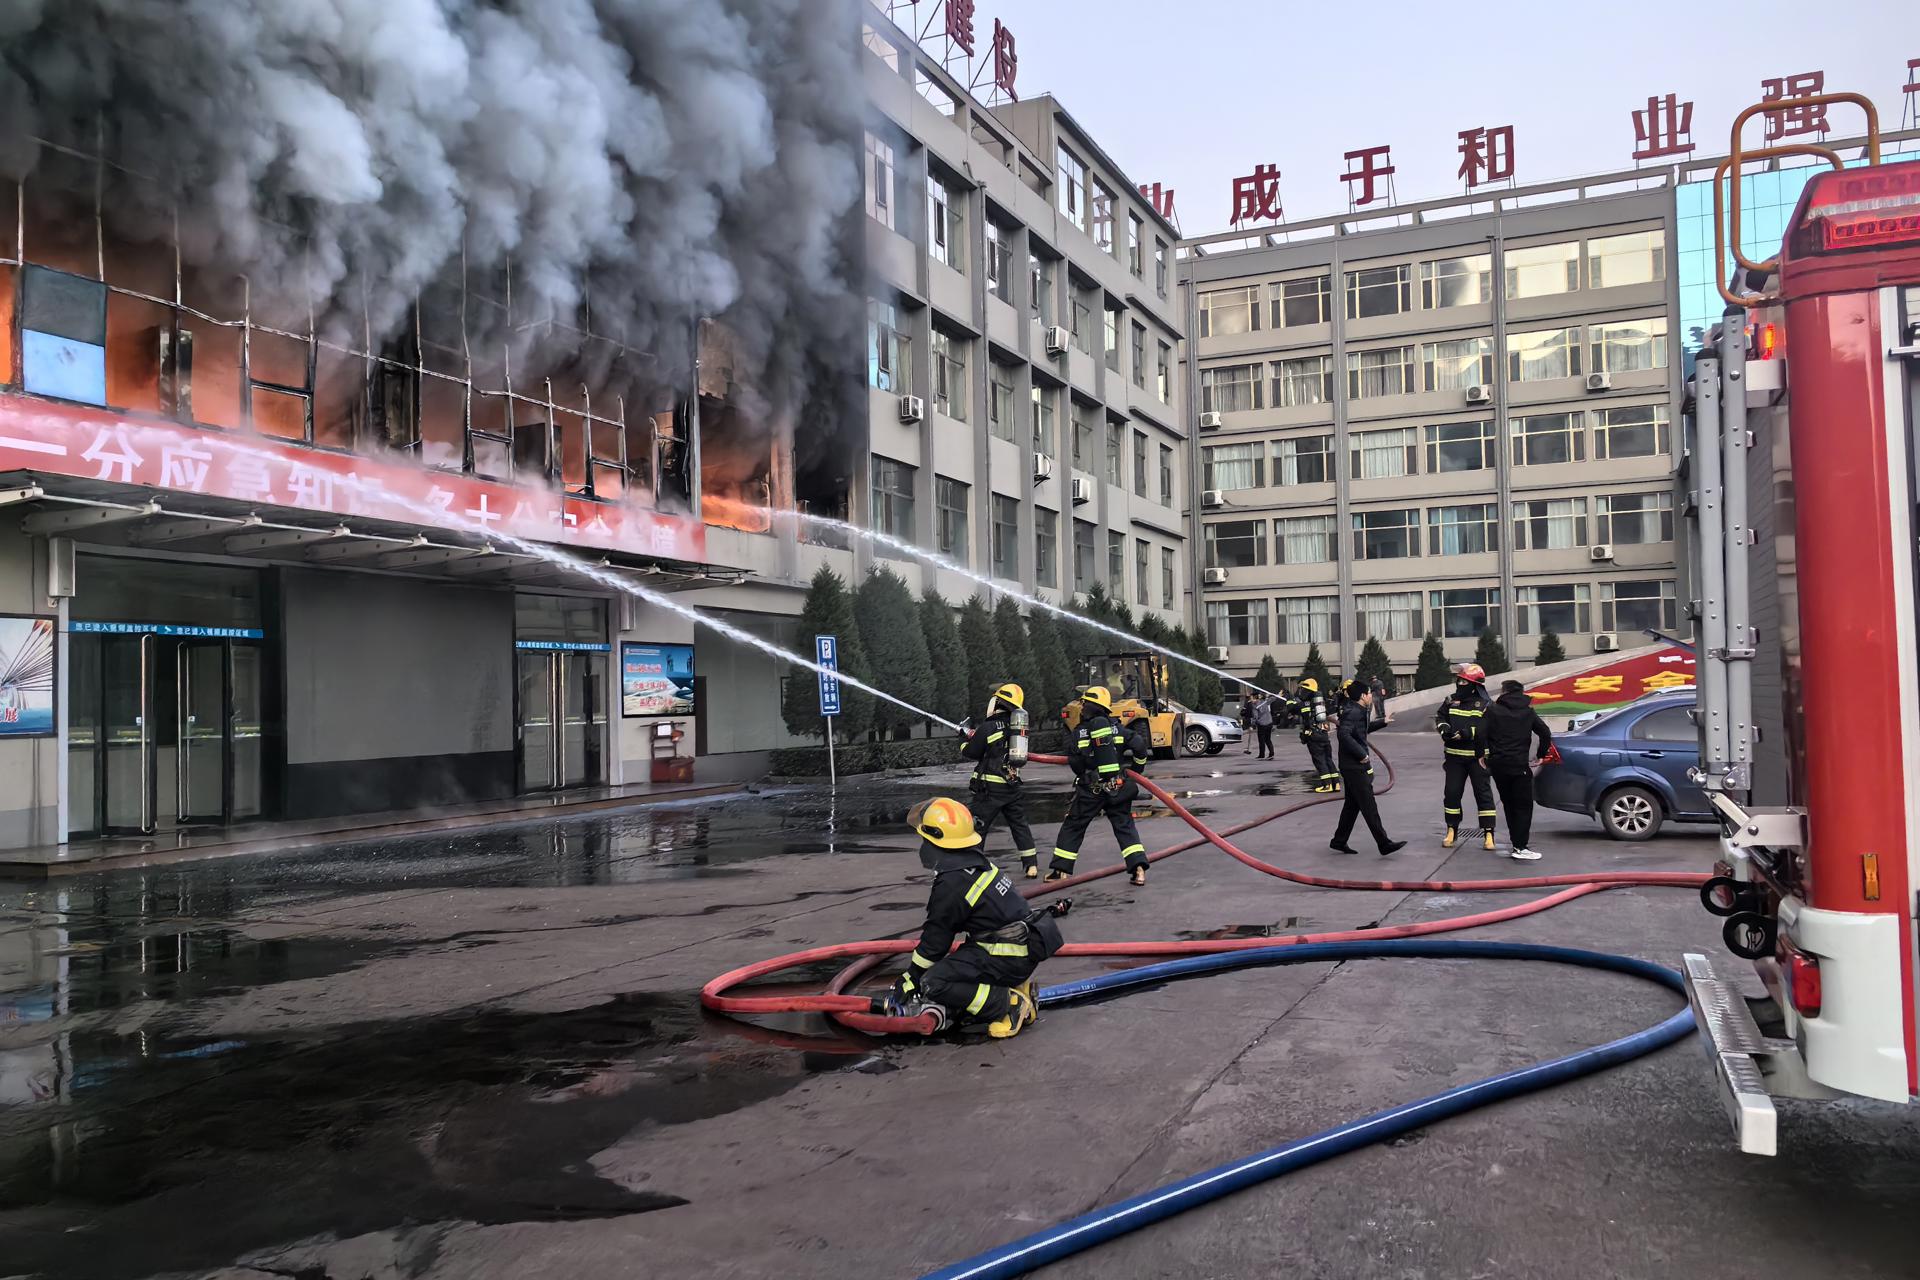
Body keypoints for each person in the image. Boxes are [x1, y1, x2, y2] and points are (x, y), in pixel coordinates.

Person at [886, 796, 1068, 1038]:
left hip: (1007, 957)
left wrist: (912, 978)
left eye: (924, 838)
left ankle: (1008, 1005)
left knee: (935, 982)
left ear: (936, 841)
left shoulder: (952, 884)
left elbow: (935, 942)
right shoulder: (976, 862)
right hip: (1021, 950)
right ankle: (1014, 989)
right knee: (957, 964)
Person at [1047, 685, 1149, 886]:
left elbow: (1075, 761)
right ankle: (1138, 870)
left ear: (1090, 706)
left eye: (1084, 703)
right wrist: (1136, 771)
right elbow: (1139, 745)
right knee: (1125, 826)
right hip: (1117, 788)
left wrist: (1084, 772)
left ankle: (1060, 872)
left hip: (1091, 790)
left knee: (1074, 825)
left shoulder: (1080, 731)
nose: (1081, 706)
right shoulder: (1117, 728)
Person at [960, 682, 1039, 878]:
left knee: (977, 827)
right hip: (1012, 786)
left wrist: (962, 739)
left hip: (990, 789)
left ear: (997, 703)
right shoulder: (1016, 728)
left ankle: (972, 867)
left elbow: (972, 752)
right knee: (1019, 825)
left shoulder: (989, 726)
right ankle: (1031, 865)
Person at [1330, 679, 1407, 857]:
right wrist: (1361, 754)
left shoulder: (1357, 710)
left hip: (1351, 765)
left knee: (1352, 805)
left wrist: (1383, 721)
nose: (1372, 696)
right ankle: (1384, 843)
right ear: (1363, 696)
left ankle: (1339, 840)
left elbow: (1361, 731)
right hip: (1354, 766)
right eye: (1370, 693)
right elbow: (1344, 735)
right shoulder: (1353, 712)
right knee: (1368, 805)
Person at [1485, 678, 1553, 861]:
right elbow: (1545, 732)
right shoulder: (1528, 712)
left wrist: (1484, 756)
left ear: (1504, 691)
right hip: (1519, 766)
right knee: (1523, 806)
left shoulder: (1493, 710)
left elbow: (1482, 733)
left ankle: (1516, 845)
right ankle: (1520, 846)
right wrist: (1540, 755)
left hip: (1498, 766)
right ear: (1521, 692)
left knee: (1509, 804)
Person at [1434, 662, 1497, 850]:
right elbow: (1440, 717)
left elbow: (1486, 726)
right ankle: (1452, 829)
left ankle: (1488, 833)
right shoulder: (1450, 700)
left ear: (1474, 684)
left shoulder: (1486, 704)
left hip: (1478, 758)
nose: (1459, 685)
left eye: (1463, 682)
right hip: (1454, 758)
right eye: (1458, 681)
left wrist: (1467, 733)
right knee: (1452, 794)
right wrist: (1444, 729)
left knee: (1483, 795)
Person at [1296, 677, 1340, 793]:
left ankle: (1327, 785)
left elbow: (1306, 721)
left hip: (1314, 735)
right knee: (1328, 759)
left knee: (1319, 760)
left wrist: (1305, 734)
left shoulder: (1306, 703)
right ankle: (1336, 784)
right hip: (1324, 734)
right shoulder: (1320, 702)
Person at [1251, 690, 1276, 759]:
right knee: (1268, 739)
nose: (1251, 700)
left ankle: (1262, 755)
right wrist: (1270, 695)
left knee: (1261, 740)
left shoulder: (1254, 706)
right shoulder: (1264, 702)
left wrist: (1252, 724)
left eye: (1251, 698)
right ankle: (1271, 754)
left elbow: (1255, 717)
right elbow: (1273, 698)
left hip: (1262, 724)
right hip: (1269, 723)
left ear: (1255, 698)